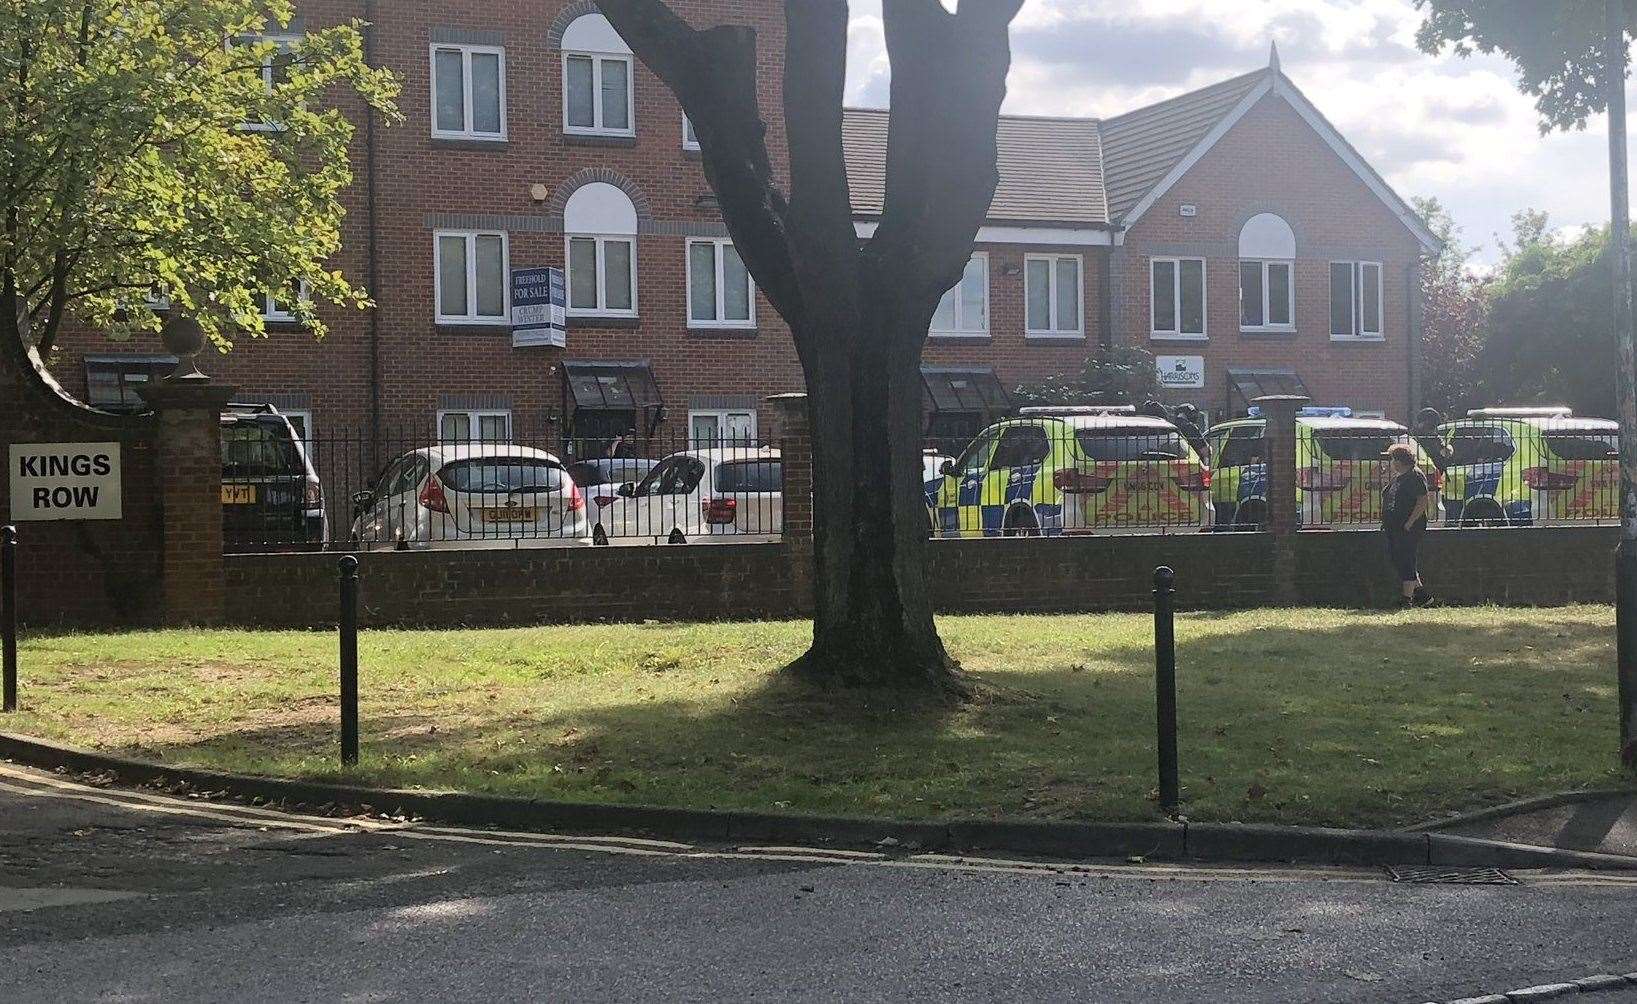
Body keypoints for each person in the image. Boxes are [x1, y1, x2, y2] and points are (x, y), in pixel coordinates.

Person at [1382, 443, 1433, 607]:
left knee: (1406, 559)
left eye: (1393, 459)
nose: (1391, 462)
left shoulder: (1415, 476)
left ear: (1400, 460)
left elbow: (1422, 500)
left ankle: (1406, 599)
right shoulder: (1398, 477)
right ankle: (1423, 597)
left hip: (1409, 527)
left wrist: (1409, 523)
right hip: (1394, 526)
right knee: (1397, 558)